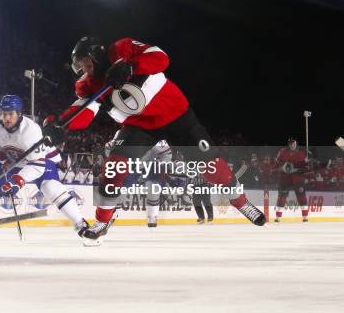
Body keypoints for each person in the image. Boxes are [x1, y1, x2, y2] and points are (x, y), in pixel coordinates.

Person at [43, 36, 265, 243]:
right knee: (113, 168)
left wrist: (131, 66)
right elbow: (82, 112)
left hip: (175, 115)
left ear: (96, 54)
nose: (83, 69)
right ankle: (102, 221)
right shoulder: (88, 84)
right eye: (80, 65)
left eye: (85, 62)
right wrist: (58, 125)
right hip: (139, 125)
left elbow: (161, 58)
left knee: (215, 170)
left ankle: (241, 202)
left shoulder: (122, 48)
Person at [0, 95, 88, 236]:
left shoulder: (30, 131)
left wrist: (17, 181)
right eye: (3, 113)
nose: (6, 118)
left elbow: (37, 165)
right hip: (14, 161)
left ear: (19, 114)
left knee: (50, 186)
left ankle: (81, 224)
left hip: (41, 160)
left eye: (10, 114)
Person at [274, 138, 308, 222]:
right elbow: (277, 161)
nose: (293, 145)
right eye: (291, 144)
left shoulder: (302, 152)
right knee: (282, 196)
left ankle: (305, 217)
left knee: (301, 196)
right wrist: (283, 166)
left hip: (298, 177)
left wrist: (304, 164)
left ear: (296, 144)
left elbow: (306, 166)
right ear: (288, 144)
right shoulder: (282, 151)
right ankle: (278, 217)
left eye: (294, 143)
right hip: (285, 177)